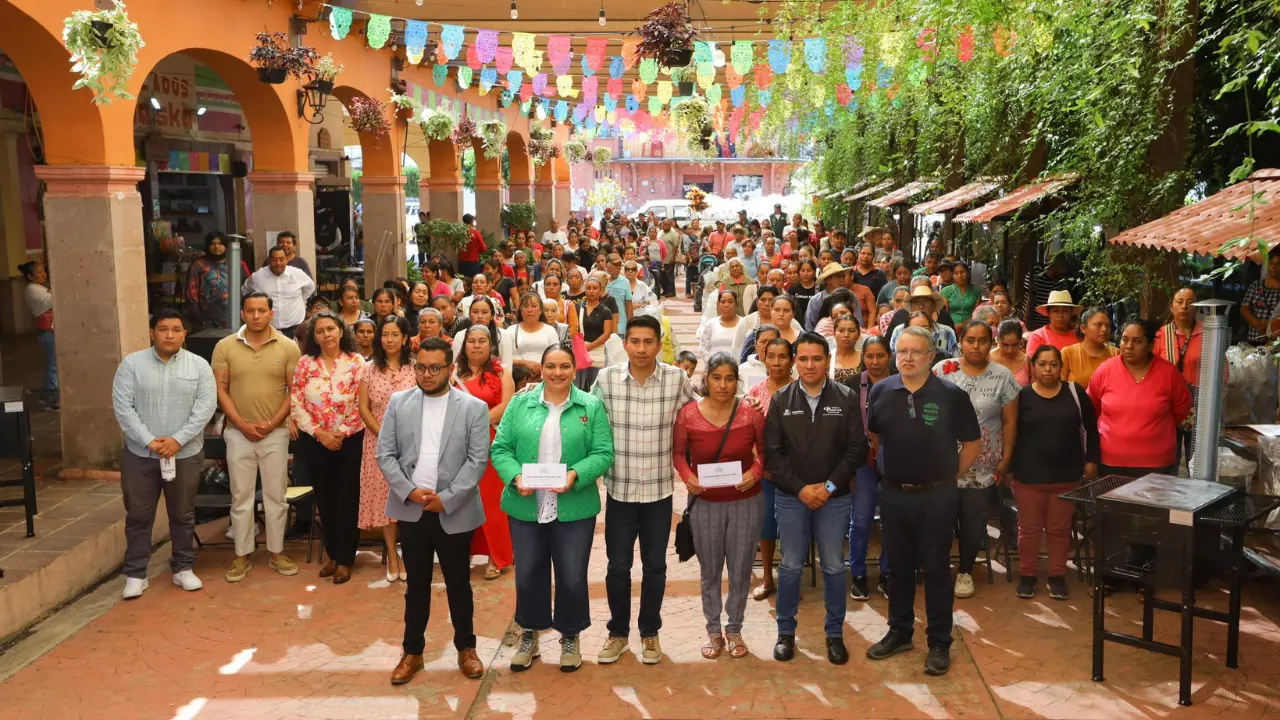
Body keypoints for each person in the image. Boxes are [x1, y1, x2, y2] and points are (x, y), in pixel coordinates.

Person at [491, 345, 614, 673]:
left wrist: (576, 474)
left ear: (575, 369)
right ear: (541, 369)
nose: (557, 373)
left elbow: (603, 453)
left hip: (574, 506)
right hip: (525, 503)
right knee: (528, 574)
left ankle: (570, 635)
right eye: (550, 366)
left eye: (564, 366)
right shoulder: (520, 403)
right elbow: (500, 448)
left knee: (572, 575)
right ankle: (529, 633)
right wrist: (515, 476)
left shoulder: (591, 405)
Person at [866, 326, 981, 676]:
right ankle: (899, 632)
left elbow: (972, 444)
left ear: (932, 356)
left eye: (915, 352)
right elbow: (875, 437)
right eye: (901, 351)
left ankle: (939, 642)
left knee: (935, 569)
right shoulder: (882, 390)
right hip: (895, 495)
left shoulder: (950, 394)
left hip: (937, 497)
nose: (907, 358)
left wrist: (948, 476)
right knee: (898, 568)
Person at [376, 337, 490, 683]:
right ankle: (412, 652)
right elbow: (386, 455)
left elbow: (477, 460)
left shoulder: (472, 407)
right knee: (417, 586)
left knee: (459, 584)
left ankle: (466, 649)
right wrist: (409, 492)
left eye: (435, 368)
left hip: (454, 510)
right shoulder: (399, 402)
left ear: (450, 368)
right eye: (421, 367)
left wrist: (449, 497)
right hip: (412, 510)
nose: (426, 374)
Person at [593, 314, 698, 666]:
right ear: (625, 343)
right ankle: (618, 633)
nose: (641, 348)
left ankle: (650, 632)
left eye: (648, 342)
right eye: (634, 341)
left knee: (655, 567)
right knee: (617, 567)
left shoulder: (676, 379)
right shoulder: (606, 380)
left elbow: (702, 413)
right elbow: (584, 416)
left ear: (659, 343)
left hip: (658, 493)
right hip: (620, 492)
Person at [764, 332, 867, 664]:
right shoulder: (781, 399)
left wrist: (828, 488)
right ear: (796, 360)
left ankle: (834, 634)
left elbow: (856, 450)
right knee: (791, 565)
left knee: (835, 566)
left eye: (817, 358)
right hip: (792, 498)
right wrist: (801, 489)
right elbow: (773, 455)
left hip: (834, 499)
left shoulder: (847, 397)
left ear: (828, 361)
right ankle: (786, 633)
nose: (810, 365)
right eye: (804, 358)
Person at [111, 310, 217, 599]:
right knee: (138, 515)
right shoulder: (131, 365)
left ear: (185, 333)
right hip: (140, 455)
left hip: (184, 454)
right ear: (151, 332)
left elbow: (205, 408)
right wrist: (149, 441)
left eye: (176, 329)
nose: (169, 335)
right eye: (162, 329)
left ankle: (182, 568)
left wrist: (177, 440)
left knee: (182, 514)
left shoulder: (199, 367)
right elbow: (123, 407)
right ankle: (135, 574)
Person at [674, 353, 766, 661]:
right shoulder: (688, 414)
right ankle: (713, 630)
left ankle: (734, 628)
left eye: (729, 378)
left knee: (740, 569)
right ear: (706, 379)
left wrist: (755, 472)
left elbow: (767, 453)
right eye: (716, 378)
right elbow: (678, 455)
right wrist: (688, 477)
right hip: (706, 505)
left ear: (737, 381)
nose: (723, 385)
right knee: (710, 570)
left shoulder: (750, 413)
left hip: (745, 502)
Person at [212, 292, 302, 583]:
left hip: (274, 434)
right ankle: (242, 555)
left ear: (271, 313)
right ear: (243, 314)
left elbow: (294, 391)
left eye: (262, 310)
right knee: (241, 497)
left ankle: (277, 552)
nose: (256, 316)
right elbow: (220, 389)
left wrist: (272, 423)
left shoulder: (288, 347)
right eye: (250, 311)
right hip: (237, 434)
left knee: (276, 497)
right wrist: (240, 424)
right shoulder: (225, 346)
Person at [931, 320, 1020, 599]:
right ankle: (939, 572)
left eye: (982, 340)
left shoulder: (1003, 376)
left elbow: (1010, 421)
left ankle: (966, 572)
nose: (976, 346)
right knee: (941, 521)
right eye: (970, 340)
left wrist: (1007, 459)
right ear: (961, 341)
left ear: (990, 342)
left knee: (973, 523)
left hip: (983, 465)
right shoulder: (942, 372)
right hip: (944, 463)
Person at [1007, 345, 1100, 600]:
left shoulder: (1075, 392)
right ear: (1033, 367)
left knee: (1059, 530)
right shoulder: (1021, 396)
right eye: (1042, 364)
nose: (1048, 370)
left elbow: (1092, 429)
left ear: (1061, 366)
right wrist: (1008, 466)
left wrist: (1091, 460)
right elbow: (1010, 433)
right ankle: (1027, 575)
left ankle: (1057, 575)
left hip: (1066, 475)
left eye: (1054, 364)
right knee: (1029, 530)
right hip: (1028, 476)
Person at [291, 312, 365, 584]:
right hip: (316, 441)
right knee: (325, 499)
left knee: (347, 499)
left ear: (342, 330)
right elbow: (296, 401)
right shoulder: (305, 364)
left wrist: (340, 433)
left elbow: (362, 402)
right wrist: (319, 433)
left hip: (350, 440)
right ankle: (333, 555)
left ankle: (347, 559)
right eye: (320, 331)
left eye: (331, 328)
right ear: (314, 336)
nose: (326, 334)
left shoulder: (356, 362)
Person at [1087, 320, 1192, 477]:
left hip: (1157, 464)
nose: (1129, 346)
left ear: (1150, 345)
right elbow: (1091, 410)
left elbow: (1181, 410)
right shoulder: (1105, 370)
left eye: (1137, 341)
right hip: (1110, 463)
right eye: (1124, 339)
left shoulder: (1169, 373)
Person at [357, 315, 417, 583]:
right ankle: (392, 555)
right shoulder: (368, 369)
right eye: (385, 335)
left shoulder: (416, 368)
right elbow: (363, 408)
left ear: (405, 338)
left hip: (412, 444)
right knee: (384, 502)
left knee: (409, 498)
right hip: (378, 444)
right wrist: (384, 436)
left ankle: (408, 555)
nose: (389, 340)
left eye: (395, 335)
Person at [455, 325, 515, 580]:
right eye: (472, 341)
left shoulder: (502, 372)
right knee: (461, 499)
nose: (477, 345)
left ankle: (497, 556)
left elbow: (506, 405)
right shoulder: (452, 373)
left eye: (482, 341)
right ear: (464, 344)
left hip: (491, 441)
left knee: (492, 501)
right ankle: (463, 551)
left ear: (490, 346)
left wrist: (475, 424)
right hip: (458, 444)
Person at [846, 335, 893, 601]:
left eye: (880, 356)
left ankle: (887, 571)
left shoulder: (901, 380)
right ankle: (859, 574)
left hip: (896, 462)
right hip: (862, 463)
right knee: (861, 520)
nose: (875, 362)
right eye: (869, 356)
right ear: (863, 357)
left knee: (891, 520)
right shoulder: (851, 386)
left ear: (890, 356)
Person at [1154, 288, 1207, 467]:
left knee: (1197, 456)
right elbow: (1151, 367)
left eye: (1190, 302)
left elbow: (1221, 370)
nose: (1184, 306)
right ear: (1171, 307)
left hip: (1199, 399)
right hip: (1169, 401)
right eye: (1179, 301)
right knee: (1170, 455)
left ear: (1197, 307)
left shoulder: (1207, 333)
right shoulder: (1162, 335)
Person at [242, 246, 315, 337]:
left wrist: (302, 301)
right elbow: (245, 291)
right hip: (268, 330)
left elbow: (310, 288)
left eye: (281, 259)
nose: (278, 263)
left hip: (295, 328)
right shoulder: (257, 277)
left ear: (286, 260)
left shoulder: (297, 274)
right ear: (269, 260)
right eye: (274, 259)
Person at [186, 231, 252, 329]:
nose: (216, 247)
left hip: (236, 320)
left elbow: (248, 291)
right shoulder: (198, 265)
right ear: (207, 246)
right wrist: (203, 321)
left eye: (220, 243)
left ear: (225, 245)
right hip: (207, 322)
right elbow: (191, 297)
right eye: (213, 244)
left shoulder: (237, 263)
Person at [18, 260, 57, 409]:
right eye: (39, 272)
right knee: (53, 366)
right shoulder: (31, 289)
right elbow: (53, 300)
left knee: (53, 365)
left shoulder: (39, 287)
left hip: (51, 331)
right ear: (30, 276)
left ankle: (46, 395)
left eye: (43, 270)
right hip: (47, 332)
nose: (44, 274)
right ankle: (51, 399)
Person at [500, 291, 561, 381]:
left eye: (534, 306)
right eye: (525, 306)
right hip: (517, 380)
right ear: (520, 310)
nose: (529, 310)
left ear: (540, 310)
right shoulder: (510, 331)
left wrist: (543, 367)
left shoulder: (550, 331)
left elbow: (557, 356)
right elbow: (502, 359)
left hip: (544, 379)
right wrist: (524, 363)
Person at [890, 286, 959, 357]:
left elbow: (956, 361)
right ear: (911, 307)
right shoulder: (899, 331)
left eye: (925, 301)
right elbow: (892, 361)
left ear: (933, 306)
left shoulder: (947, 332)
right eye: (916, 302)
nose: (921, 306)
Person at [575, 276, 616, 390]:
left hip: (598, 352)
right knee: (578, 385)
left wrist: (591, 346)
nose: (591, 291)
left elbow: (607, 333)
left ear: (601, 291)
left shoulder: (605, 311)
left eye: (595, 288)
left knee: (595, 385)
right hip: (579, 352)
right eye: (588, 288)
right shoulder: (578, 307)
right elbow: (573, 329)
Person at [1061, 307, 1117, 388]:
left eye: (1107, 325)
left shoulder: (1116, 354)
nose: (1104, 329)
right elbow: (1060, 388)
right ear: (1083, 328)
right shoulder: (1068, 353)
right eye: (1098, 325)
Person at [1241, 246, 1280, 344]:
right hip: (1254, 338)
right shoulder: (1256, 285)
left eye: (1278, 264)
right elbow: (1244, 308)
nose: (1274, 266)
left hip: (1275, 342)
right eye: (1271, 263)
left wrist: (1269, 326)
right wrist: (1257, 324)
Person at [1023, 254, 1070, 330]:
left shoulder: (1061, 282)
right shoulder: (1035, 276)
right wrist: (1027, 323)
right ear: (1055, 266)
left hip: (1052, 326)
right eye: (1063, 267)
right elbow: (1029, 300)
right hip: (1033, 323)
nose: (1064, 271)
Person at [804, 263, 855, 331]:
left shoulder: (851, 297)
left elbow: (858, 322)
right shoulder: (815, 301)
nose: (842, 280)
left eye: (843, 276)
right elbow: (809, 327)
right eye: (838, 276)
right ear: (828, 279)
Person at [698, 290, 744, 363]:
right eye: (723, 302)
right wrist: (714, 364)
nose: (726, 305)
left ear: (736, 304)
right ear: (718, 305)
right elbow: (703, 348)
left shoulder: (744, 323)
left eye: (730, 302)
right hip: (714, 367)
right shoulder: (710, 324)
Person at [990, 319, 1031, 386]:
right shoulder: (987, 359)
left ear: (1020, 341)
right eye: (1005, 345)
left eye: (1015, 345)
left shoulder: (1027, 362)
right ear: (997, 340)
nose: (1010, 350)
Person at [940, 261, 981, 325]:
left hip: (971, 326)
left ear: (968, 273)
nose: (960, 275)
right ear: (952, 275)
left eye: (962, 272)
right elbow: (945, 314)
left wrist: (961, 325)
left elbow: (977, 314)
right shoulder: (945, 291)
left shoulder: (976, 291)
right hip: (950, 326)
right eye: (956, 273)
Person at [604, 254, 635, 335]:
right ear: (607, 264)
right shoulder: (600, 280)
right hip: (601, 326)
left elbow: (629, 305)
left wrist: (630, 325)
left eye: (619, 265)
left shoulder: (625, 282)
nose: (618, 268)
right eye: (615, 265)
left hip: (620, 327)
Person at [830, 316, 863, 383]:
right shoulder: (827, 357)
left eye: (851, 331)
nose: (846, 335)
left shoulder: (865, 358)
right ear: (834, 334)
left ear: (858, 335)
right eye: (841, 330)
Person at [458, 213, 488, 279]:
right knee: (474, 281)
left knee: (463, 281)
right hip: (473, 263)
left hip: (462, 263)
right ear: (472, 222)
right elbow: (483, 248)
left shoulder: (459, 233)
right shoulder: (475, 233)